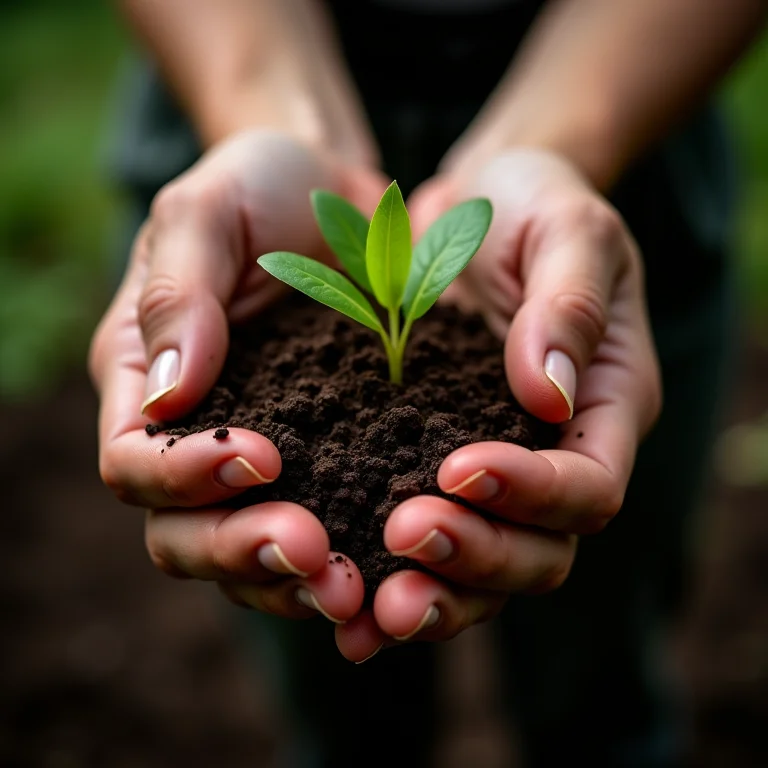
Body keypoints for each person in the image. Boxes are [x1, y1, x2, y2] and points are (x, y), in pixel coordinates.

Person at [89, 1, 765, 765]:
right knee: (340, 716)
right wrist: (264, 113)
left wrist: (560, 141)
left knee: (599, 680)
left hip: (639, 126)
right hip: (221, 88)